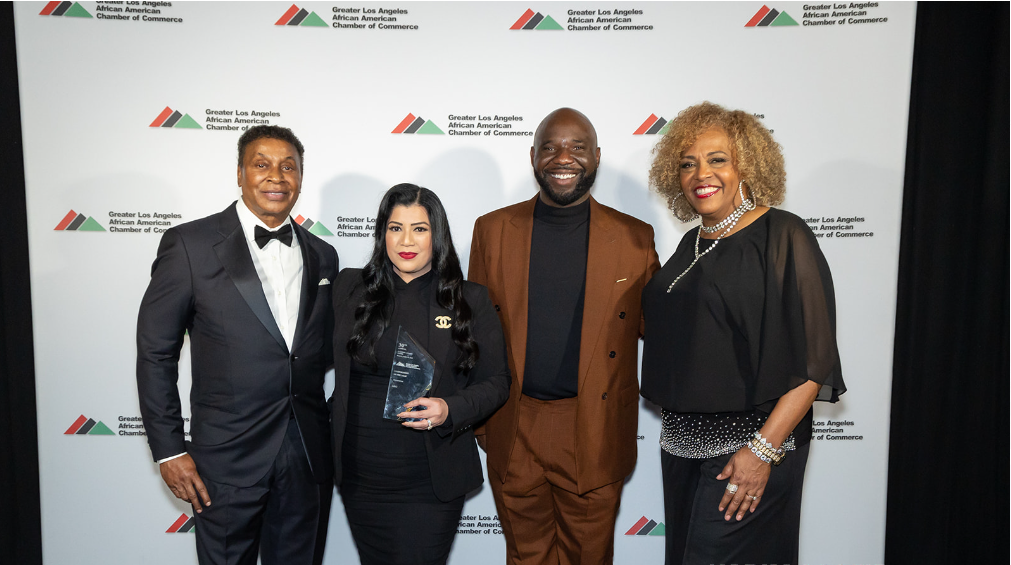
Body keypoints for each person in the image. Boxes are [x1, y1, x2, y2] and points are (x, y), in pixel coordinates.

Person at [641, 101, 847, 564]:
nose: (701, 174)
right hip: (680, 449)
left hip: (748, 451)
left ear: (747, 166)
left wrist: (761, 453)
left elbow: (813, 364)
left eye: (718, 159)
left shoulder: (783, 234)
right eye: (688, 163)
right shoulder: (691, 242)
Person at [136, 125, 337, 565]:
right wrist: (169, 449)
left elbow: (317, 354)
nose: (276, 177)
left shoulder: (323, 254)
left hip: (306, 455)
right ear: (240, 174)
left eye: (289, 167)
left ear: (301, 177)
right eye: (261, 164)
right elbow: (156, 354)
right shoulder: (190, 245)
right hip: (224, 460)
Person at [468, 108, 660, 564]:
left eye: (577, 147)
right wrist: (481, 421)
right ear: (533, 156)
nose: (563, 157)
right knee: (525, 556)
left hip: (593, 429)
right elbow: (473, 333)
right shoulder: (492, 230)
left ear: (596, 156)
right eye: (551, 146)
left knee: (588, 557)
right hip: (515, 425)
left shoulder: (634, 237)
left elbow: (661, 329)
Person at [331, 183, 510, 565]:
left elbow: (497, 382)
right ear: (382, 234)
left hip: (432, 477)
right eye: (395, 228)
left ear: (437, 235)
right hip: (362, 474)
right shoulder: (348, 287)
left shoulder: (470, 299)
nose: (406, 240)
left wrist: (450, 409)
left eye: (420, 229)